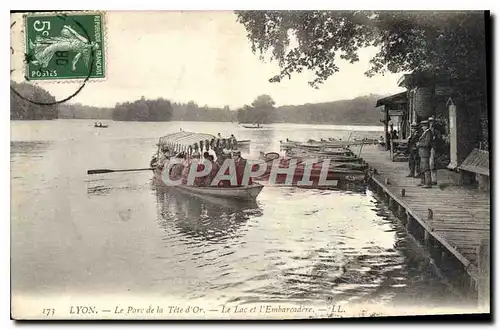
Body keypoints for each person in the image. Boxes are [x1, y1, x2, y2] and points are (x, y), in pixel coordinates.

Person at [416, 120, 432, 188]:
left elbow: (427, 143)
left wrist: (419, 144)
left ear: (426, 126)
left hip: (425, 153)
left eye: (423, 126)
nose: (422, 128)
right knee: (422, 168)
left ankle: (428, 183)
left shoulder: (428, 133)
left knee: (426, 168)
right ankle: (423, 182)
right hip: (422, 153)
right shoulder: (425, 132)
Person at [428, 116, 439, 185]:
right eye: (430, 122)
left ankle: (434, 180)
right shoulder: (426, 131)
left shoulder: (437, 132)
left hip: (433, 148)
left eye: (432, 122)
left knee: (432, 164)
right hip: (426, 148)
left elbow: (439, 140)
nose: (431, 124)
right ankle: (428, 179)